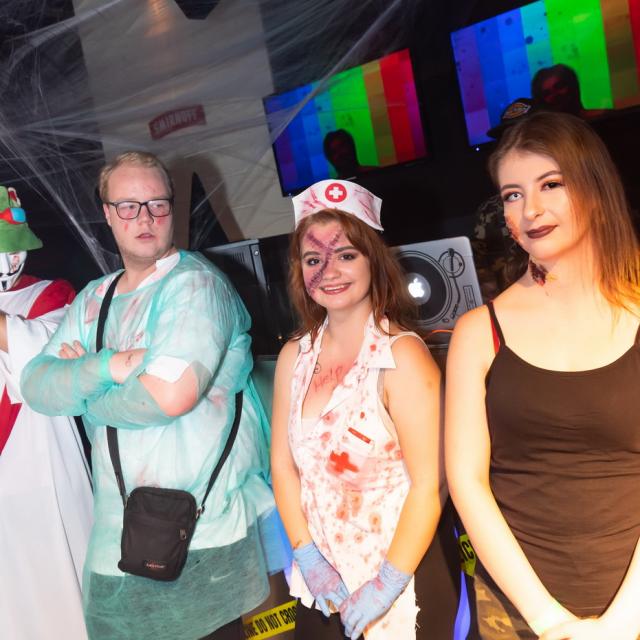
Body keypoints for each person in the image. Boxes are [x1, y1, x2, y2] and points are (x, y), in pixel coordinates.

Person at [21, 151, 286, 640]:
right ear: (107, 214)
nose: (144, 218)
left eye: (156, 204)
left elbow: (165, 398)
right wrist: (112, 366)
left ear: (172, 209)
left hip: (202, 542)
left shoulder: (196, 287)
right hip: (116, 546)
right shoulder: (94, 298)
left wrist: (83, 392)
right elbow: (36, 386)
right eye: (128, 206)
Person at [446, 111, 640, 639]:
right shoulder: (478, 332)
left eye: (550, 184)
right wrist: (548, 621)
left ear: (595, 187)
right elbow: (467, 482)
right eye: (512, 194)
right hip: (518, 611)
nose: (530, 209)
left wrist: (622, 623)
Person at [271, 178, 444, 639]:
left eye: (346, 255)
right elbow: (282, 467)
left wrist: (386, 584)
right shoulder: (294, 356)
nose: (329, 271)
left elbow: (429, 486)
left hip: (399, 592)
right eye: (313, 259)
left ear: (373, 260)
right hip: (320, 591)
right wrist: (308, 557)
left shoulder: (402, 357)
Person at [0, 185, 92, 639]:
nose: (9, 260)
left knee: (61, 605)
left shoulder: (52, 295)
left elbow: (45, 362)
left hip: (40, 475)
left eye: (13, 249)